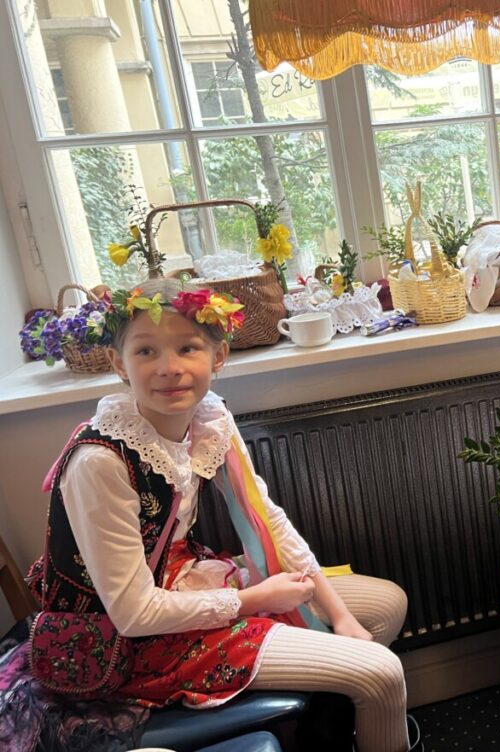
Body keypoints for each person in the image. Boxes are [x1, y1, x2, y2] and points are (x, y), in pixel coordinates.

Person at [18, 280, 411, 752]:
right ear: (119, 363)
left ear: (218, 356)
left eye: (187, 348)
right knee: (381, 673)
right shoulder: (101, 461)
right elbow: (134, 613)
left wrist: (340, 615)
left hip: (186, 579)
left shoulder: (209, 418)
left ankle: (323, 733)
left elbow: (266, 518)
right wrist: (255, 598)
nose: (169, 367)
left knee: (386, 606)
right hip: (129, 641)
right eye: (146, 351)